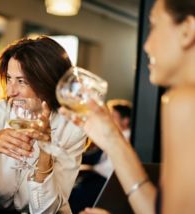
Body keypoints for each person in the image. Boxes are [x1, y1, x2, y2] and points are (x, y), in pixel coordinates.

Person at [59, 0, 195, 213]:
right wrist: (112, 139)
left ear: (187, 30)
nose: (147, 45)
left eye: (154, 26)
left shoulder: (185, 101)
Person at [0, 36, 86, 213]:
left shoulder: (72, 130)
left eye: (21, 81)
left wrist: (46, 152)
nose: (10, 91)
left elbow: (46, 211)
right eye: (9, 78)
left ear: (48, 82)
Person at [93, 99, 132, 178]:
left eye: (113, 117)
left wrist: (89, 169)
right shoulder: (114, 136)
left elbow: (110, 169)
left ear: (125, 121)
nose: (109, 120)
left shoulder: (127, 140)